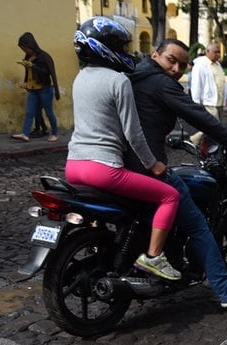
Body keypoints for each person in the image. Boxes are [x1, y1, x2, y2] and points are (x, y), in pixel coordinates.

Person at [126, 38, 227, 308]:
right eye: (170, 60)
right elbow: (196, 114)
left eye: (182, 65)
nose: (176, 69)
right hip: (147, 166)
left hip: (120, 164)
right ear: (154, 55)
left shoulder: (132, 77)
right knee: (198, 226)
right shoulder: (160, 83)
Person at [67, 17, 180, 281]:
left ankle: (101, 243)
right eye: (120, 47)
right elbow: (133, 134)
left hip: (73, 166)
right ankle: (153, 258)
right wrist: (153, 164)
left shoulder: (79, 78)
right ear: (106, 49)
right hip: (103, 169)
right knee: (169, 196)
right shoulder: (119, 81)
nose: (126, 53)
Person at [12, 33, 60, 143]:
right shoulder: (28, 57)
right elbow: (28, 73)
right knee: (30, 112)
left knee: (49, 112)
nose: (25, 51)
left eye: (25, 48)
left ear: (31, 46)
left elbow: (47, 73)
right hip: (32, 89)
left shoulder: (43, 57)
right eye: (23, 49)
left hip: (45, 89)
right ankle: (25, 134)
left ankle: (54, 133)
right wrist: (25, 83)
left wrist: (33, 66)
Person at [189, 42, 227, 121]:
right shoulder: (200, 65)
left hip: (219, 104)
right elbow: (197, 85)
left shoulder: (218, 65)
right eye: (215, 52)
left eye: (219, 52)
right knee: (213, 128)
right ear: (207, 52)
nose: (218, 54)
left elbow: (223, 82)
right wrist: (196, 104)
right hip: (209, 104)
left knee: (216, 128)